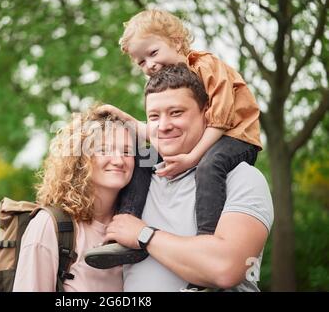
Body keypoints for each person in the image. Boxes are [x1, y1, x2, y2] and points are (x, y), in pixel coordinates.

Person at [89, 9, 262, 266]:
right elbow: (160, 129)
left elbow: (221, 119)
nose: (150, 65)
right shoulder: (172, 83)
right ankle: (124, 233)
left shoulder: (206, 66)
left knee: (209, 165)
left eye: (153, 53)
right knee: (144, 157)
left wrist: (191, 158)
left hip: (236, 136)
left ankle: (207, 242)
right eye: (141, 62)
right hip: (211, 137)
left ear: (177, 43)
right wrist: (122, 117)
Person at [91, 64, 273, 291]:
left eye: (176, 113)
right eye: (154, 117)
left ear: (206, 113)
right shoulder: (133, 180)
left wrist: (143, 234)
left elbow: (225, 269)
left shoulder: (242, 178)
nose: (164, 126)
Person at [13, 107, 135, 291]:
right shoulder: (49, 226)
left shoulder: (136, 225)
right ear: (80, 159)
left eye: (127, 151)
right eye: (103, 150)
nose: (118, 160)